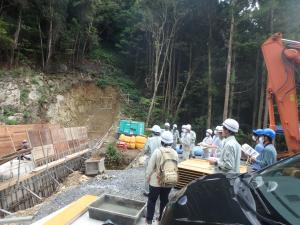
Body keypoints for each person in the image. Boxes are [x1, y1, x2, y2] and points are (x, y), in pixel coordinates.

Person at [145, 131, 178, 225]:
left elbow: (150, 166)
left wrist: (148, 177)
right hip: (168, 181)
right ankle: (161, 219)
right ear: (171, 142)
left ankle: (149, 220)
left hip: (156, 180)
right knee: (164, 200)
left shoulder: (157, 151)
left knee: (152, 200)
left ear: (161, 141)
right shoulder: (175, 153)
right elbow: (175, 167)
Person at [143, 125, 162, 196]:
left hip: (151, 159)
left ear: (153, 132)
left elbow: (145, 150)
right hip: (160, 160)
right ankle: (157, 191)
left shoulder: (150, 139)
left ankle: (147, 191)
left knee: (148, 175)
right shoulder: (162, 140)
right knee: (158, 175)